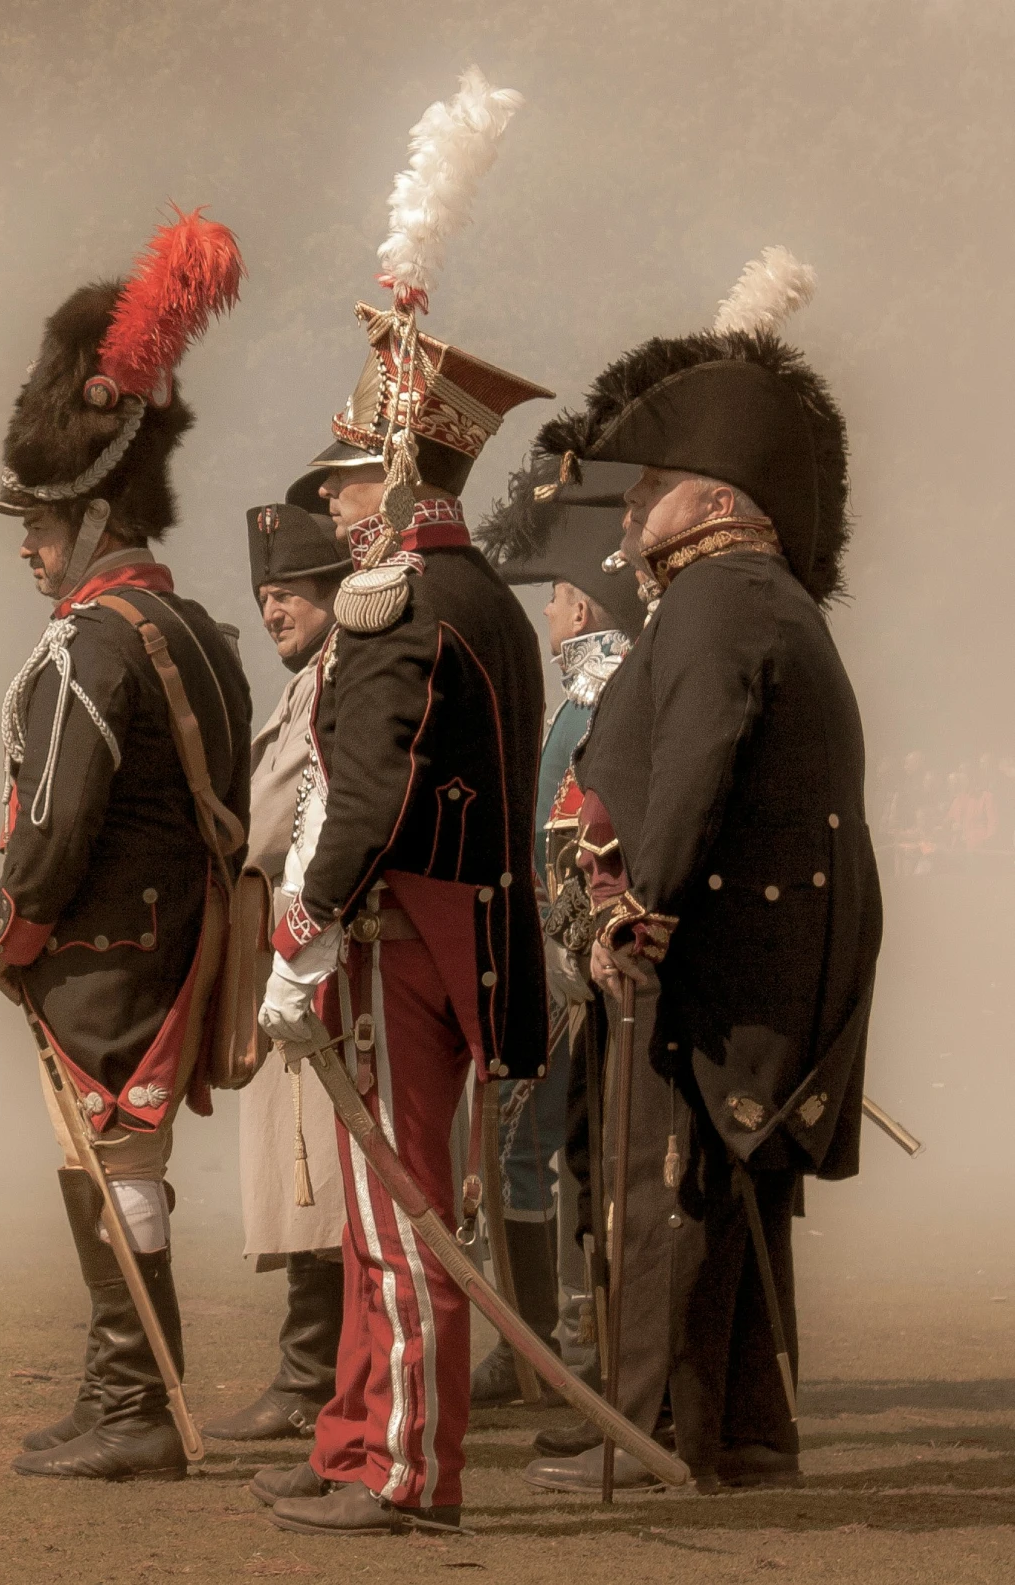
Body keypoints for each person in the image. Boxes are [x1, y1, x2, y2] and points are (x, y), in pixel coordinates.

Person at [520, 273, 882, 1494]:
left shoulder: (718, 601)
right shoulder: (757, 596)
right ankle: (749, 1436)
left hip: (713, 946)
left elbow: (695, 769)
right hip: (769, 945)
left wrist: (634, 903)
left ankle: (653, 1436)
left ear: (717, 498)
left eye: (649, 498)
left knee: (662, 1194)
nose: (625, 528)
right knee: (738, 1196)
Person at [251, 302, 552, 1534]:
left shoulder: (401, 598)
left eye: (351, 476)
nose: (331, 508)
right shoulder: (480, 594)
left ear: (402, 473)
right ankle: (355, 1437)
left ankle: (408, 1468)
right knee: (391, 1205)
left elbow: (366, 791)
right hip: (454, 940)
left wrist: (303, 927)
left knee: (397, 1209)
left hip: (399, 945)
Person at [0, 211, 253, 1481]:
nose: (27, 543)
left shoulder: (96, 640)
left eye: (41, 520)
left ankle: (136, 1402)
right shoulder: (186, 621)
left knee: (114, 1158)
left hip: (107, 946)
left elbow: (63, 819)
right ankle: (117, 1389)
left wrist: (10, 926)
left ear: (91, 516)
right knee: (110, 1159)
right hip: (159, 934)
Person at [467, 448, 647, 1407]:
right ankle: (559, 1340)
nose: (543, 614)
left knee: (526, 1148)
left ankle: (543, 1348)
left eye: (551, 599)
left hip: (564, 970)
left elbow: (567, 843)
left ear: (578, 606)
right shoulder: (607, 690)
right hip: (571, 963)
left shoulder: (591, 697)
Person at [203, 503, 351, 1444]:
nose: (272, 612)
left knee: (316, 1179)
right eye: (263, 596)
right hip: (283, 945)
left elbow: (284, 820)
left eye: (289, 593)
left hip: (310, 953)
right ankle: (310, 1368)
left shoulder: (334, 679)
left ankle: (311, 1377)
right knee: (303, 1174)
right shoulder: (303, 686)